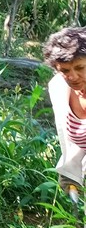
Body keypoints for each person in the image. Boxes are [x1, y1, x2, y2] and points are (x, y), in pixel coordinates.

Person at [43, 27, 86, 196]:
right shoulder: (59, 88)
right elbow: (75, 140)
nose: (73, 77)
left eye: (80, 67)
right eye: (65, 71)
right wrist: (70, 169)